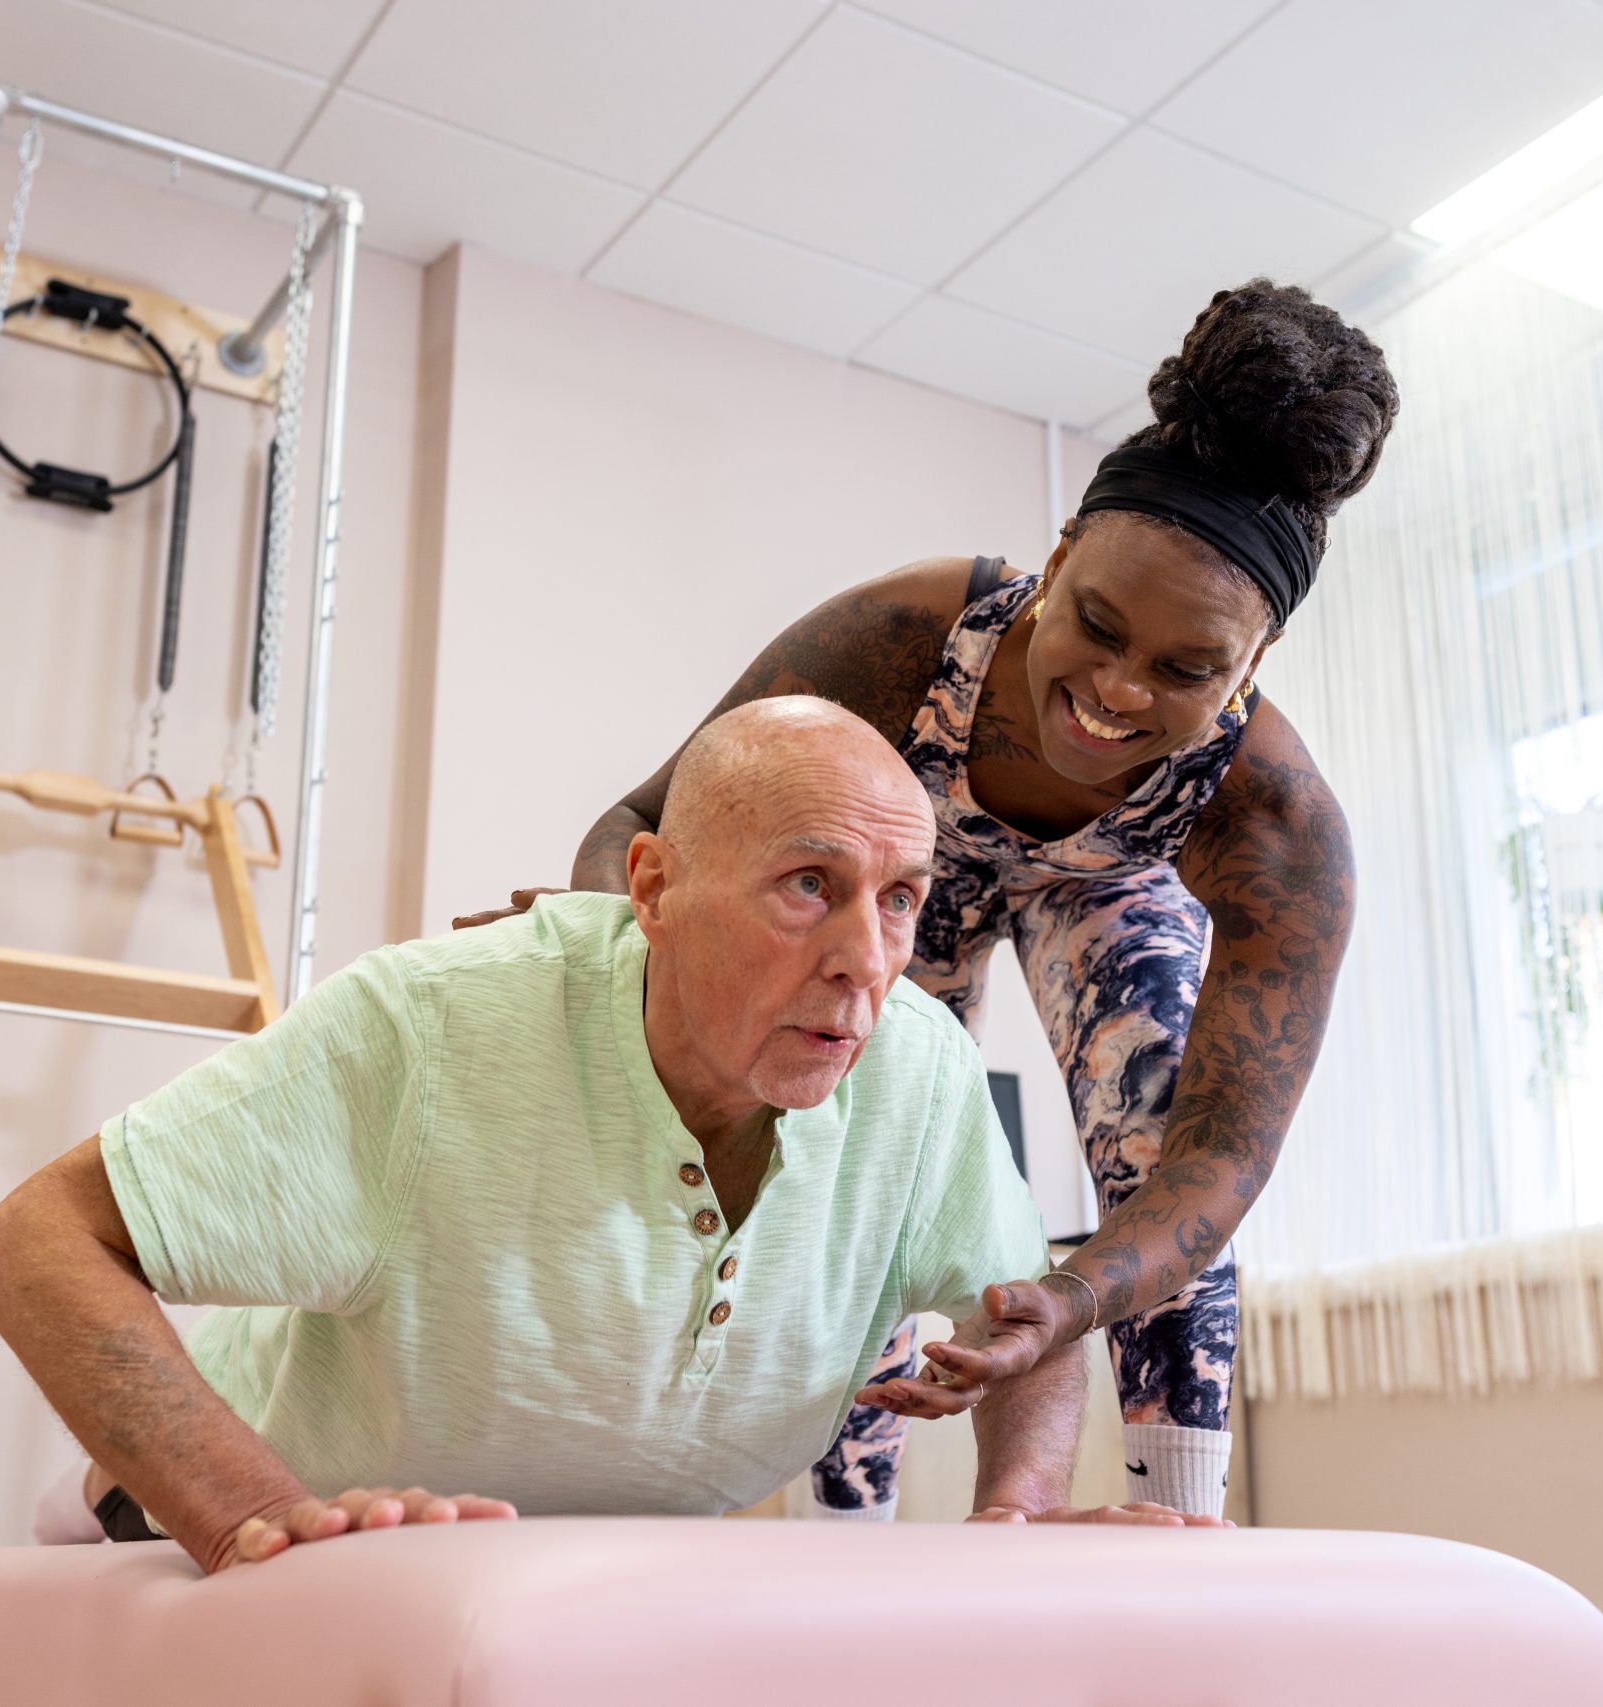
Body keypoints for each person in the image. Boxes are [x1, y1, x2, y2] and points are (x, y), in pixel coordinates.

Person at [457, 279, 1397, 1522]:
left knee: (1154, 1133)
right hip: (895, 879)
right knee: (850, 1153)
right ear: (1057, 559)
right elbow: (643, 827)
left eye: (1182, 670)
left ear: (1254, 664)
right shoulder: (907, 635)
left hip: (1110, 894)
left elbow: (1217, 1165)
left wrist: (1063, 1299)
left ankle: (1181, 1535)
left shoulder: (1274, 817)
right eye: (1097, 626)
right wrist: (610, 944)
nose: (1114, 692)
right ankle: (856, 1545)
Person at [0, 697, 1210, 1575]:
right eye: (806, 886)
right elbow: (36, 1242)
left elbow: (1025, 1317)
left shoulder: (915, 1064)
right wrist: (257, 1521)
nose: (866, 963)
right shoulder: (436, 1024)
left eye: (899, 899)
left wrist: (1017, 1512)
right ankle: (88, 1512)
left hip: (588, 1569)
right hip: (250, 1527)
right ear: (653, 888)